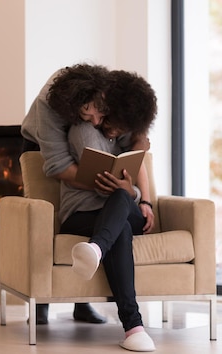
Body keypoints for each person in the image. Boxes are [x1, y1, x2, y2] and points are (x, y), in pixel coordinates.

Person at [58, 70, 158, 352]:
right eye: (110, 122)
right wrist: (124, 192)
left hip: (121, 211)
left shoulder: (126, 134)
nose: (112, 130)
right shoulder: (84, 130)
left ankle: (97, 249)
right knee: (121, 227)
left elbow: (137, 165)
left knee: (122, 201)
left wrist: (140, 198)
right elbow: (97, 178)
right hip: (83, 215)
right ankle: (133, 327)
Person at [21, 63, 111, 324]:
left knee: (86, 211)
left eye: (100, 113)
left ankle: (82, 304)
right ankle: (40, 306)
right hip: (39, 147)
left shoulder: (104, 92)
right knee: (45, 222)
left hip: (78, 140)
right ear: (74, 107)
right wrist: (99, 183)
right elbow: (58, 166)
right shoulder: (49, 104)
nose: (96, 121)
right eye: (87, 113)